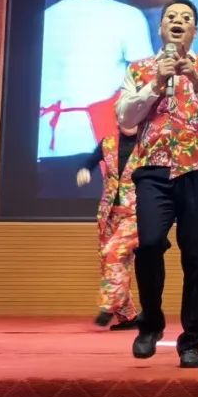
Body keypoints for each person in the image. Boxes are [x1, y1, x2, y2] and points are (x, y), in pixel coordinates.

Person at [117, 0, 198, 369]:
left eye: (186, 18)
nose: (178, 22)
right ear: (161, 28)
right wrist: (156, 83)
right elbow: (126, 117)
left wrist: (195, 79)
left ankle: (192, 341)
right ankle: (150, 323)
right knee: (149, 244)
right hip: (153, 168)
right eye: (171, 17)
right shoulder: (139, 69)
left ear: (194, 30)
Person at [39, 0, 153, 159]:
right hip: (101, 140)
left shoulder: (47, 16)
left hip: (46, 140)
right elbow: (147, 79)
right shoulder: (129, 17)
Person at [75, 128, 140, 330]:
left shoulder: (150, 142)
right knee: (111, 263)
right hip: (109, 212)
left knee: (113, 252)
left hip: (137, 212)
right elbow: (90, 161)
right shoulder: (108, 142)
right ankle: (128, 316)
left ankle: (108, 306)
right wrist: (85, 170)